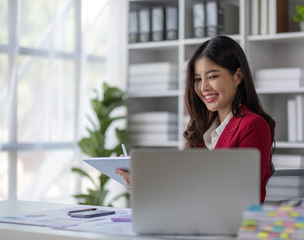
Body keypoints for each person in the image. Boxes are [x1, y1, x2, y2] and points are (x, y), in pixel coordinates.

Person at [116, 35, 276, 203]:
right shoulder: (203, 131)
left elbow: (231, 194)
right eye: (198, 79)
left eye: (212, 76)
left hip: (232, 227)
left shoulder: (253, 126)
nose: (203, 87)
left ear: (238, 76)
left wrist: (151, 183)